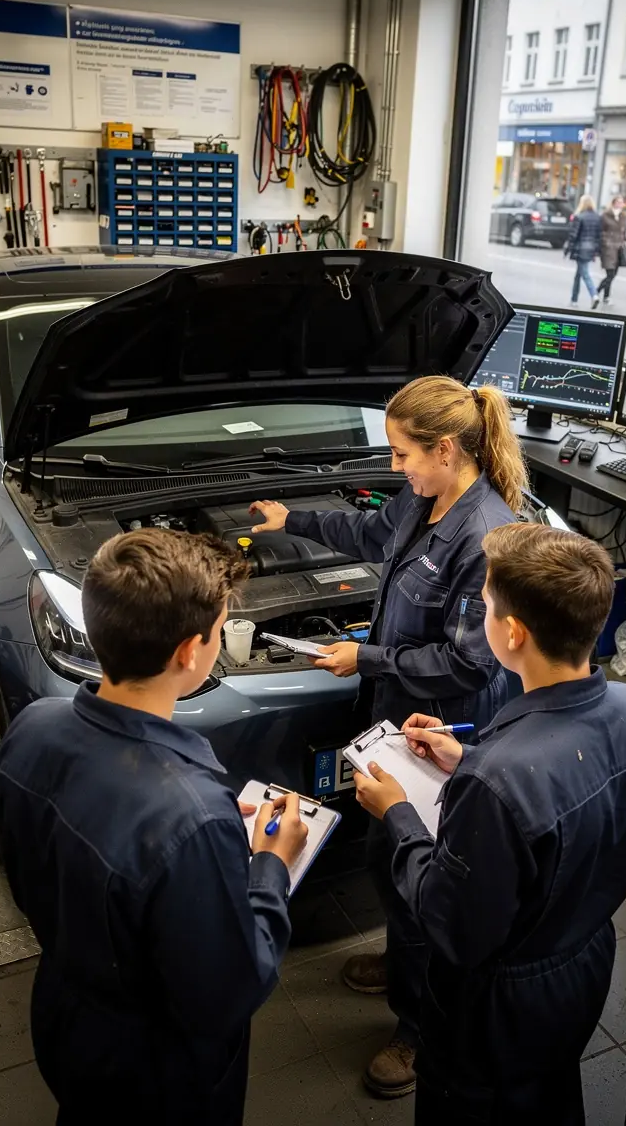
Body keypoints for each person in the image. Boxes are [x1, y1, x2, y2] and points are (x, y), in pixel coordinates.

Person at [248, 375, 524, 1098]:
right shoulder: (425, 496)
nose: (395, 467)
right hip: (394, 718)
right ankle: (404, 963)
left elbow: (470, 658)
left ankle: (419, 1032)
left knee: (425, 880)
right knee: (385, 857)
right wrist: (291, 518)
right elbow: (370, 533)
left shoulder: (483, 534)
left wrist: (364, 655)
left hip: (442, 733)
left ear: (445, 448)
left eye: (404, 453)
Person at [352, 523, 626, 1125]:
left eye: (487, 607)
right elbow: (567, 808)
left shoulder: (497, 784)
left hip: (496, 1010)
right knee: (550, 1097)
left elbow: (454, 926)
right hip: (581, 968)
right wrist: (466, 758)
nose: (482, 616)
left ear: (513, 632)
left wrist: (397, 814)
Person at [0, 530, 309, 1126]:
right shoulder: (193, 818)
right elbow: (230, 989)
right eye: (218, 632)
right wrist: (272, 864)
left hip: (69, 1019)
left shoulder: (32, 726)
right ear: (191, 652)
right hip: (158, 1075)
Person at [565, 195, 601, 308]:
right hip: (590, 249)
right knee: (578, 274)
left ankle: (594, 295)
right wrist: (596, 249)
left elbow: (573, 235)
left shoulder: (579, 217)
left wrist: (568, 248)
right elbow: (598, 236)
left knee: (585, 273)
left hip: (580, 249)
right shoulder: (597, 217)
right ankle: (574, 299)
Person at [596, 194, 626, 305]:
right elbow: (600, 231)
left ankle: (604, 296)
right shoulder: (605, 215)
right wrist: (606, 242)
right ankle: (598, 293)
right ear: (613, 203)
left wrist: (624, 242)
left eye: (622, 202)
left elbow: (624, 231)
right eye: (618, 202)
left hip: (619, 248)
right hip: (608, 249)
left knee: (613, 275)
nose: (621, 204)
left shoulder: (623, 216)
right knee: (610, 274)